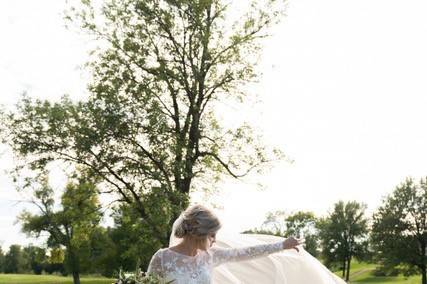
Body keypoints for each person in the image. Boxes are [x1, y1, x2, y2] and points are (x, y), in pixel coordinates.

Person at [147, 204, 346, 284]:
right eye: (212, 235)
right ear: (199, 233)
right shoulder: (162, 258)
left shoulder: (211, 256)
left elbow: (246, 252)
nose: (215, 240)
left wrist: (281, 245)